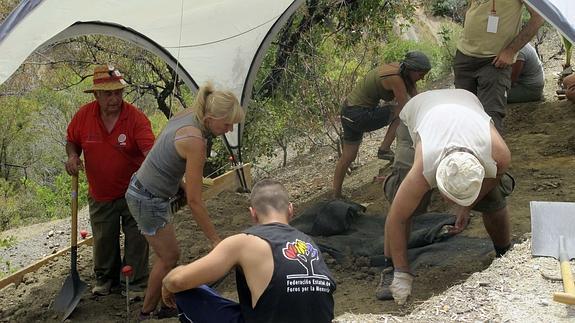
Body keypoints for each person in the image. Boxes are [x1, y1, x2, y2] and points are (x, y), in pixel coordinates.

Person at [380, 89, 514, 305]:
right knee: (403, 202)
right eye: (451, 197)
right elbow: (398, 218)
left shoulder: (498, 154)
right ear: (438, 180)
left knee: (494, 198)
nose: (451, 203)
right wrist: (402, 273)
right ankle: (391, 267)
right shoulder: (423, 169)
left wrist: (467, 206)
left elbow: (495, 176)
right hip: (418, 111)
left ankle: (504, 254)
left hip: (464, 103)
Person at [125, 83, 245, 320]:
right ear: (210, 118)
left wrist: (175, 183)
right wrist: (216, 241)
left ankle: (161, 304)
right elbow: (195, 201)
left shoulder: (190, 114)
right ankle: (147, 313)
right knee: (169, 257)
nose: (230, 129)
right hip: (147, 199)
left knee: (169, 255)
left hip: (141, 187)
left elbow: (163, 151)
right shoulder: (196, 142)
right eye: (227, 124)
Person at [161, 179, 336, 323]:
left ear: (253, 213)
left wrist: (169, 281)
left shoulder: (244, 242)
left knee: (185, 292)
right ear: (291, 209)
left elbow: (178, 282)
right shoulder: (309, 244)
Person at [65, 64, 155, 296]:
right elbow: (72, 140)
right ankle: (106, 279)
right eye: (108, 93)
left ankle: (135, 283)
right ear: (96, 95)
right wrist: (73, 156)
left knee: (136, 237)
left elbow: (150, 151)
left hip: (134, 191)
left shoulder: (135, 118)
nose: (114, 99)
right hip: (101, 192)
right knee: (104, 238)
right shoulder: (84, 116)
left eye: (118, 93)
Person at [333, 51, 431, 198]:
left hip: (348, 113)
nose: (422, 77)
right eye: (421, 74)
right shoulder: (395, 78)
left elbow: (417, 98)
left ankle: (336, 194)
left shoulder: (402, 72)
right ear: (411, 70)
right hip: (357, 114)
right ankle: (384, 149)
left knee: (348, 157)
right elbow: (407, 108)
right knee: (401, 113)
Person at [454, 0, 544, 131]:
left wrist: (511, 51)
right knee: (464, 114)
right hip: (464, 56)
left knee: (491, 119)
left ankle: (492, 151)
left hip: (494, 61)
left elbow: (538, 17)